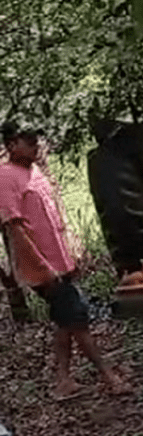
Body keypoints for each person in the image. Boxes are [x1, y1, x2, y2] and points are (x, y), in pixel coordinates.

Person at [0, 122, 130, 400]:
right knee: (78, 316)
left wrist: (71, 251)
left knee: (64, 320)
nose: (36, 146)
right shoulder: (5, 177)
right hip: (41, 269)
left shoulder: (35, 172)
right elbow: (15, 229)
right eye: (28, 142)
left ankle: (63, 381)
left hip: (60, 261)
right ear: (11, 145)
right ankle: (109, 376)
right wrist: (42, 268)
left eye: (36, 140)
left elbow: (54, 215)